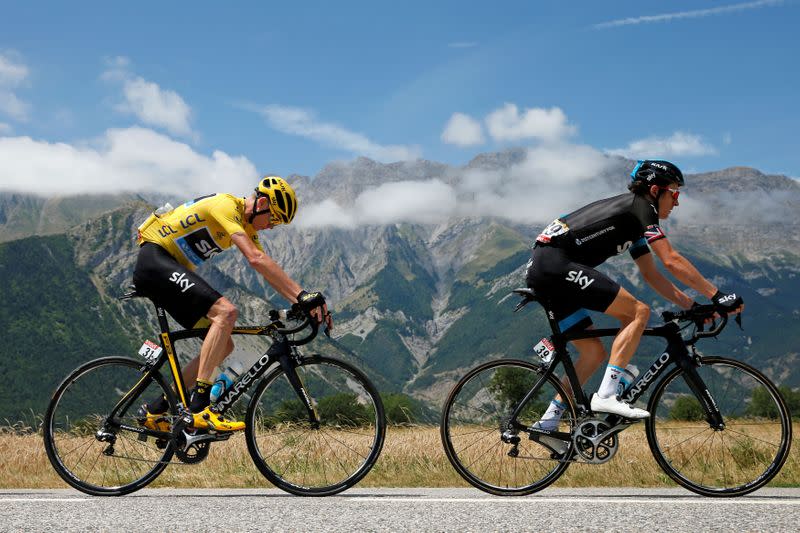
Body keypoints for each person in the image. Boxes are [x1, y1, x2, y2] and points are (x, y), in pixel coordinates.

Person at [526, 160, 744, 438]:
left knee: (593, 353)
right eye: (674, 193)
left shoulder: (632, 220)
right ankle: (606, 394)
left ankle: (547, 424)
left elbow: (651, 274)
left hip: (546, 269)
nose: (676, 203)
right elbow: (671, 260)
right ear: (655, 190)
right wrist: (718, 295)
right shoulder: (641, 209)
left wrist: (692, 306)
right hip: (555, 266)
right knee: (638, 312)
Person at [132, 176, 333, 432]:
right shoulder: (226, 206)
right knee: (226, 312)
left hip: (166, 269)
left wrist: (303, 302)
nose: (271, 227)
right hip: (155, 259)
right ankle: (199, 407)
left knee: (223, 345)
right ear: (260, 202)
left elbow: (267, 270)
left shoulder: (247, 227)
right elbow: (255, 258)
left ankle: (157, 408)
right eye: (273, 218)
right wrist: (303, 295)